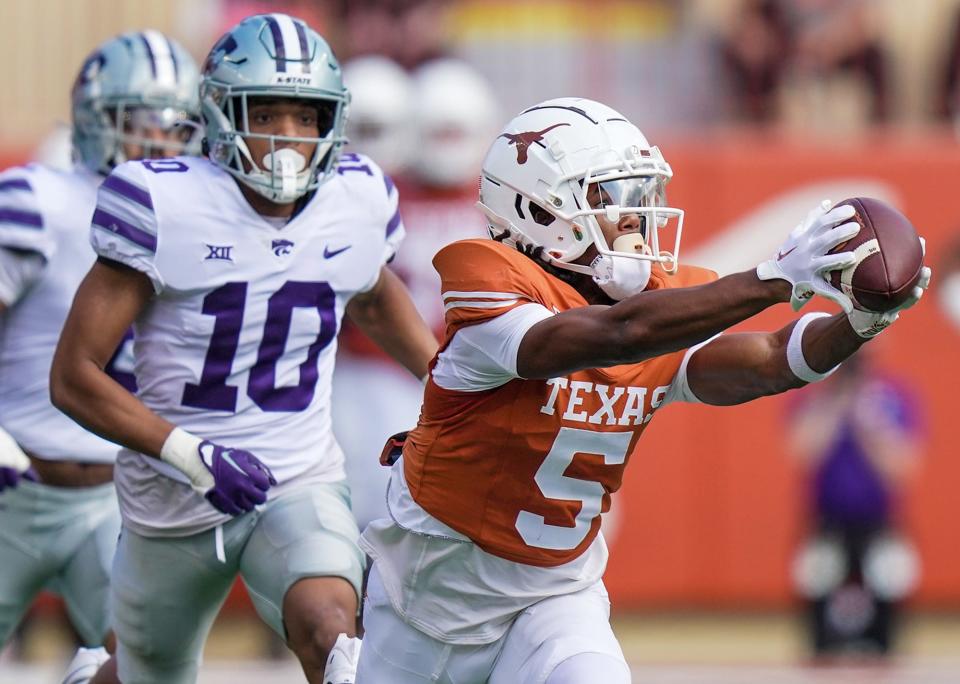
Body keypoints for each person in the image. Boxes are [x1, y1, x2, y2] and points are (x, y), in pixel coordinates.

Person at [354, 97, 931, 682]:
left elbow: (766, 361)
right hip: (427, 597)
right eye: (611, 199)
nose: (637, 219)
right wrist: (771, 279)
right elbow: (612, 335)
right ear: (534, 209)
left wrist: (858, 325)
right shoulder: (487, 278)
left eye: (640, 196)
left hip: (554, 597)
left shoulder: (657, 303)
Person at [49, 13, 437, 684]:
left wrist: (449, 387)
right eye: (266, 113)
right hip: (169, 497)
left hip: (297, 476)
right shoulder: (163, 203)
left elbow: (371, 293)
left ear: (331, 121)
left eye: (306, 115)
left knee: (334, 638)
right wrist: (190, 454)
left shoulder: (358, 197)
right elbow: (74, 377)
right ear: (222, 114)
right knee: (148, 673)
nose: (286, 136)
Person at [0, 29, 200, 668]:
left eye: (178, 124)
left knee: (149, 664)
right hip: (14, 481)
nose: (161, 139)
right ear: (96, 120)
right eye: (143, 121)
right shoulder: (40, 202)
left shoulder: (196, 218)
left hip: (111, 497)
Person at [334, 57, 498, 530]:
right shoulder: (383, 192)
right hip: (378, 365)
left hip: (460, 369)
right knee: (373, 501)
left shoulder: (490, 200)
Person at [788, 350, 922, 656]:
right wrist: (836, 404)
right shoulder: (815, 401)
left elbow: (901, 469)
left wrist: (869, 421)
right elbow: (801, 453)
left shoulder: (893, 399)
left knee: (889, 583)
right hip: (826, 522)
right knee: (817, 585)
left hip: (878, 523)